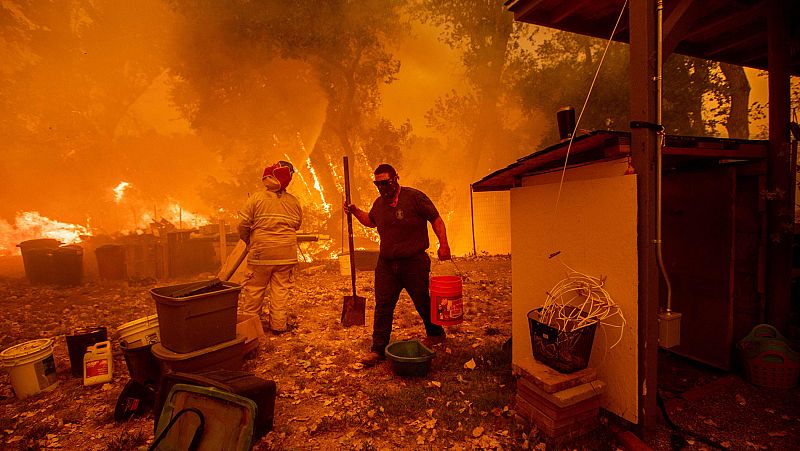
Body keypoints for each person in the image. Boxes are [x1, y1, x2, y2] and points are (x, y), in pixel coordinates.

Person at [345, 163, 451, 366]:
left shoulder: (414, 197)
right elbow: (371, 220)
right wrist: (355, 211)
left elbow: (436, 219)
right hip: (386, 264)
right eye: (378, 184)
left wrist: (444, 245)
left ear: (395, 179)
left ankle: (436, 333)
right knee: (383, 305)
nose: (382, 188)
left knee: (422, 300)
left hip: (414, 262)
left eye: (385, 183)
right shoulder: (379, 204)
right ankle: (377, 349)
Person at [238, 160, 302, 333]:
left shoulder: (255, 199)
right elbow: (296, 225)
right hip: (286, 255)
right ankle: (279, 327)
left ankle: (250, 331)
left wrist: (249, 242)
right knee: (280, 292)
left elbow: (243, 225)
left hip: (260, 255)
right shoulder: (294, 202)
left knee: (254, 291)